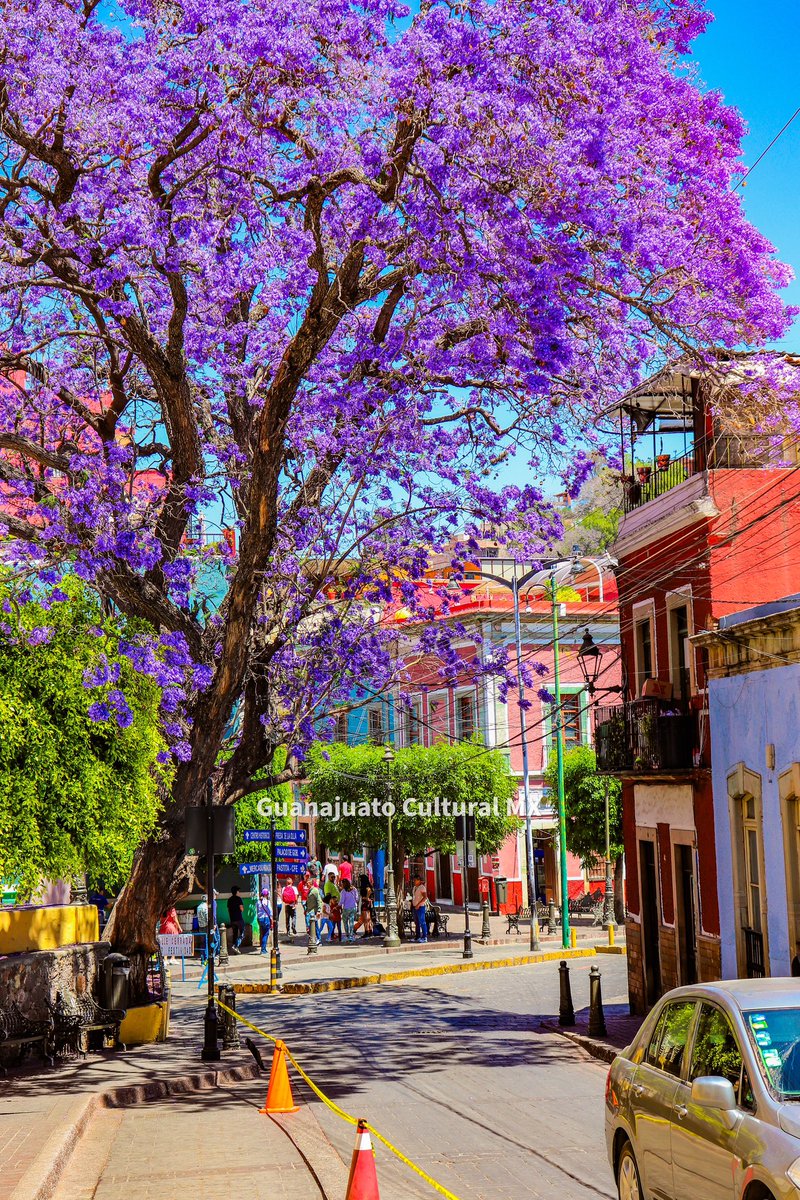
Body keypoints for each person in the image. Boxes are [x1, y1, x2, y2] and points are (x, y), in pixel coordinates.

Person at [340, 878, 358, 944]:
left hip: (346, 908)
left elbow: (342, 901)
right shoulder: (354, 889)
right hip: (353, 907)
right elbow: (357, 898)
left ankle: (347, 935)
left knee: (345, 922)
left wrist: (338, 906)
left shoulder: (343, 891)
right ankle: (351, 935)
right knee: (351, 922)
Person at [227, 886, 244, 953]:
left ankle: (235, 949)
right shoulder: (239, 899)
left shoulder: (229, 900)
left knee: (235, 934)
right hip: (239, 919)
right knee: (242, 933)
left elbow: (228, 909)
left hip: (232, 919)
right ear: (236, 892)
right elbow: (241, 909)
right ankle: (235, 946)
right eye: (238, 891)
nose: (239, 892)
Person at [412, 874, 428, 943]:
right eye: (414, 880)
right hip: (415, 907)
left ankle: (424, 937)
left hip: (420, 907)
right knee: (417, 923)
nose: (414, 881)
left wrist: (418, 904)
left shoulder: (422, 888)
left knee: (422, 922)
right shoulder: (414, 887)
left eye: (415, 880)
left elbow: (425, 897)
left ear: (419, 880)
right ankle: (417, 936)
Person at [256, 889, 272, 954]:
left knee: (262, 933)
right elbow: (270, 911)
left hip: (260, 919)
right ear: (267, 894)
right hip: (266, 919)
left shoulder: (258, 902)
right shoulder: (267, 902)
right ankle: (263, 949)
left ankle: (263, 948)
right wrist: (271, 919)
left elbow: (257, 910)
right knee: (265, 934)